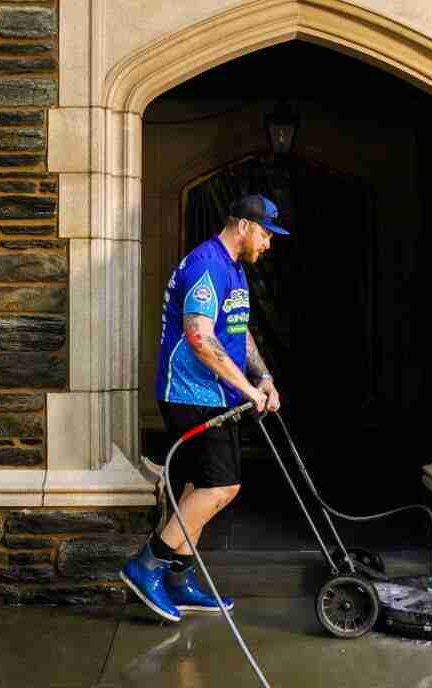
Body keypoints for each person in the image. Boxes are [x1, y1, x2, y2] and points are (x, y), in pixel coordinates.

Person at [119, 194, 288, 622]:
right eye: (267, 234)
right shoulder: (207, 264)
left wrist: (262, 377)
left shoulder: (233, 268)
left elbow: (237, 329)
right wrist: (248, 391)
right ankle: (147, 565)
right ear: (245, 226)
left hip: (216, 396)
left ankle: (180, 576)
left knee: (199, 491)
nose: (268, 243)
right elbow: (199, 336)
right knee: (221, 487)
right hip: (191, 394)